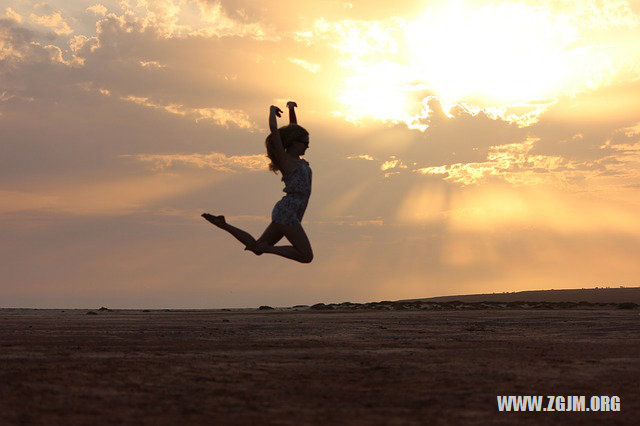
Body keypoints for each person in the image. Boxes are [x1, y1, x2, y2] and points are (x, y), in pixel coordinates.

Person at [202, 101, 313, 263]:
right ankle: (268, 248)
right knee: (306, 256)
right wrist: (271, 111)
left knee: (257, 247)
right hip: (287, 211)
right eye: (305, 143)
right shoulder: (286, 160)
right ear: (294, 143)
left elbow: (293, 128)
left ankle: (223, 224)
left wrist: (290, 109)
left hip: (291, 212)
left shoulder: (298, 159)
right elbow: (274, 131)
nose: (308, 146)